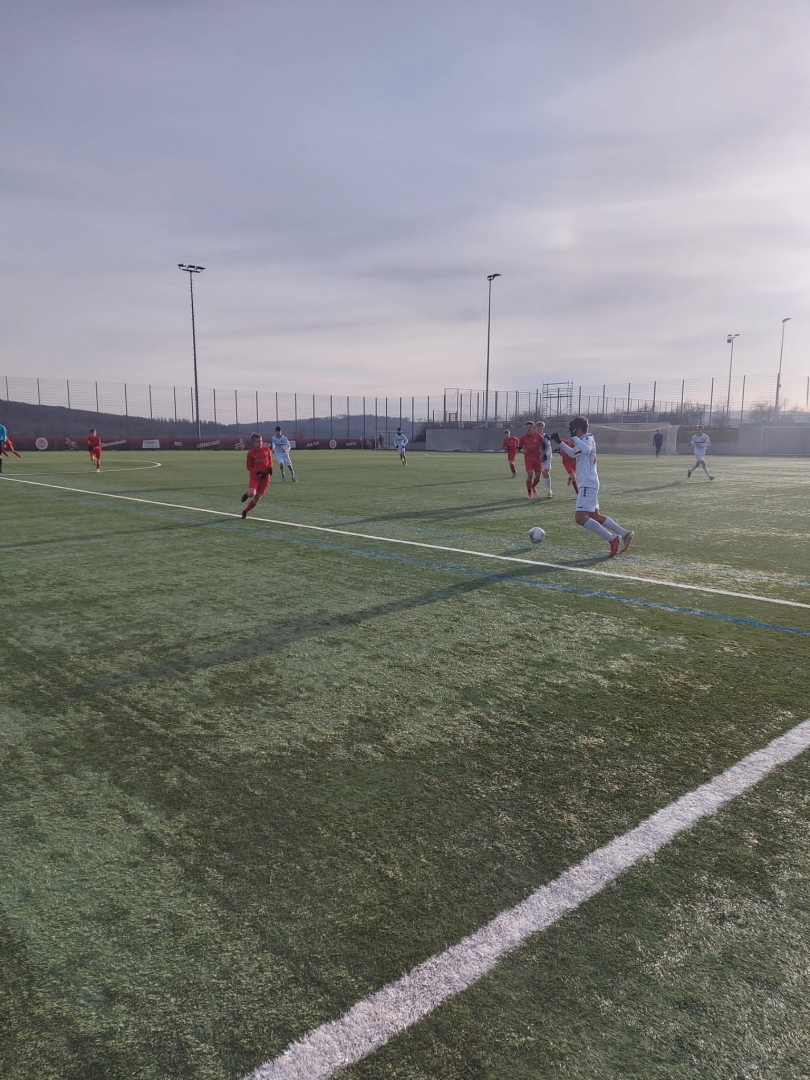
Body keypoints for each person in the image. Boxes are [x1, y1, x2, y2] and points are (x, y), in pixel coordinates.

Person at [551, 417, 633, 558]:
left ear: (578, 428)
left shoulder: (587, 438)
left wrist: (574, 439)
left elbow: (586, 449)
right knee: (595, 516)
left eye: (572, 429)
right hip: (589, 482)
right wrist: (560, 443)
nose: (571, 431)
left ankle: (612, 539)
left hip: (588, 483)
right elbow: (573, 453)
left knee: (580, 518)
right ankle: (624, 533)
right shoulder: (583, 439)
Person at [241, 432, 273, 518]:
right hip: (255, 476)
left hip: (265, 477)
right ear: (253, 442)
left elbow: (270, 460)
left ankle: (245, 511)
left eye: (261, 441)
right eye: (258, 441)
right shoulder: (250, 453)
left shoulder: (266, 449)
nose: (260, 443)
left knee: (257, 498)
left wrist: (270, 467)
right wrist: (257, 472)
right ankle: (247, 493)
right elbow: (249, 467)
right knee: (251, 494)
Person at [517, 421, 544, 498]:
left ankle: (533, 486)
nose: (528, 429)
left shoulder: (538, 436)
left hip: (537, 459)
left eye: (530, 427)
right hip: (528, 459)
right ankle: (529, 493)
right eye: (527, 427)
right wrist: (523, 451)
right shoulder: (523, 438)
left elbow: (544, 446)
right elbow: (518, 449)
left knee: (538, 477)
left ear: (533, 428)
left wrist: (543, 455)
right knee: (530, 474)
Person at [536, 420, 553, 498]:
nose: (539, 428)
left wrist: (546, 454)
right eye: (538, 427)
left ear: (543, 427)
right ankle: (533, 487)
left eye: (541, 426)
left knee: (546, 472)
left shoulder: (545, 436)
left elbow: (549, 447)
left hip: (546, 457)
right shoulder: (535, 436)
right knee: (539, 474)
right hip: (538, 457)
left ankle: (549, 491)